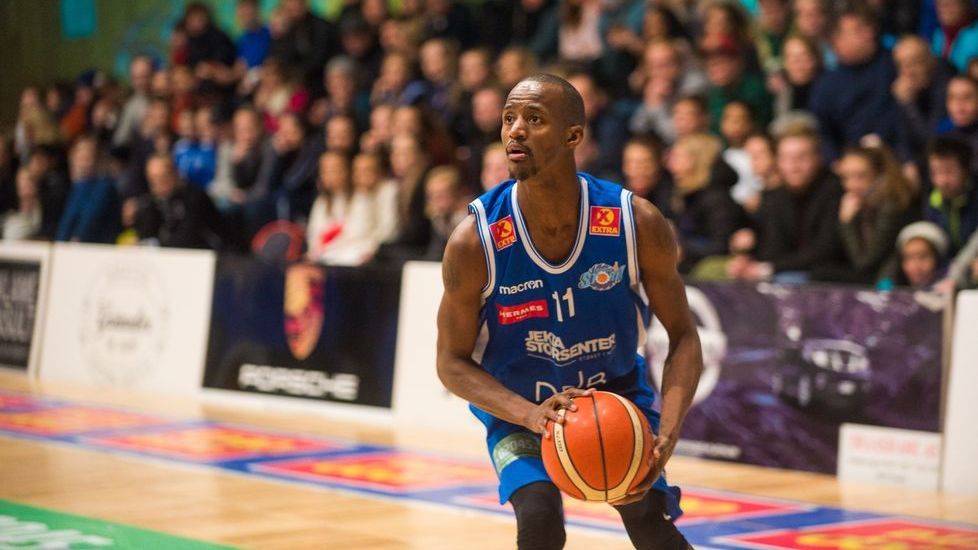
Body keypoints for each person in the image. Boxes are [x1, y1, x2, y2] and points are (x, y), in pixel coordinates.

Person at [436, 74, 702, 550]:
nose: (515, 130)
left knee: (649, 521)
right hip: (519, 410)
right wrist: (530, 415)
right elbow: (450, 363)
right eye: (509, 118)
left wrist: (668, 430)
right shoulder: (475, 240)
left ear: (573, 135)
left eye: (534, 119)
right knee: (539, 519)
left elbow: (683, 335)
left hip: (615, 397)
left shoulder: (634, 221)